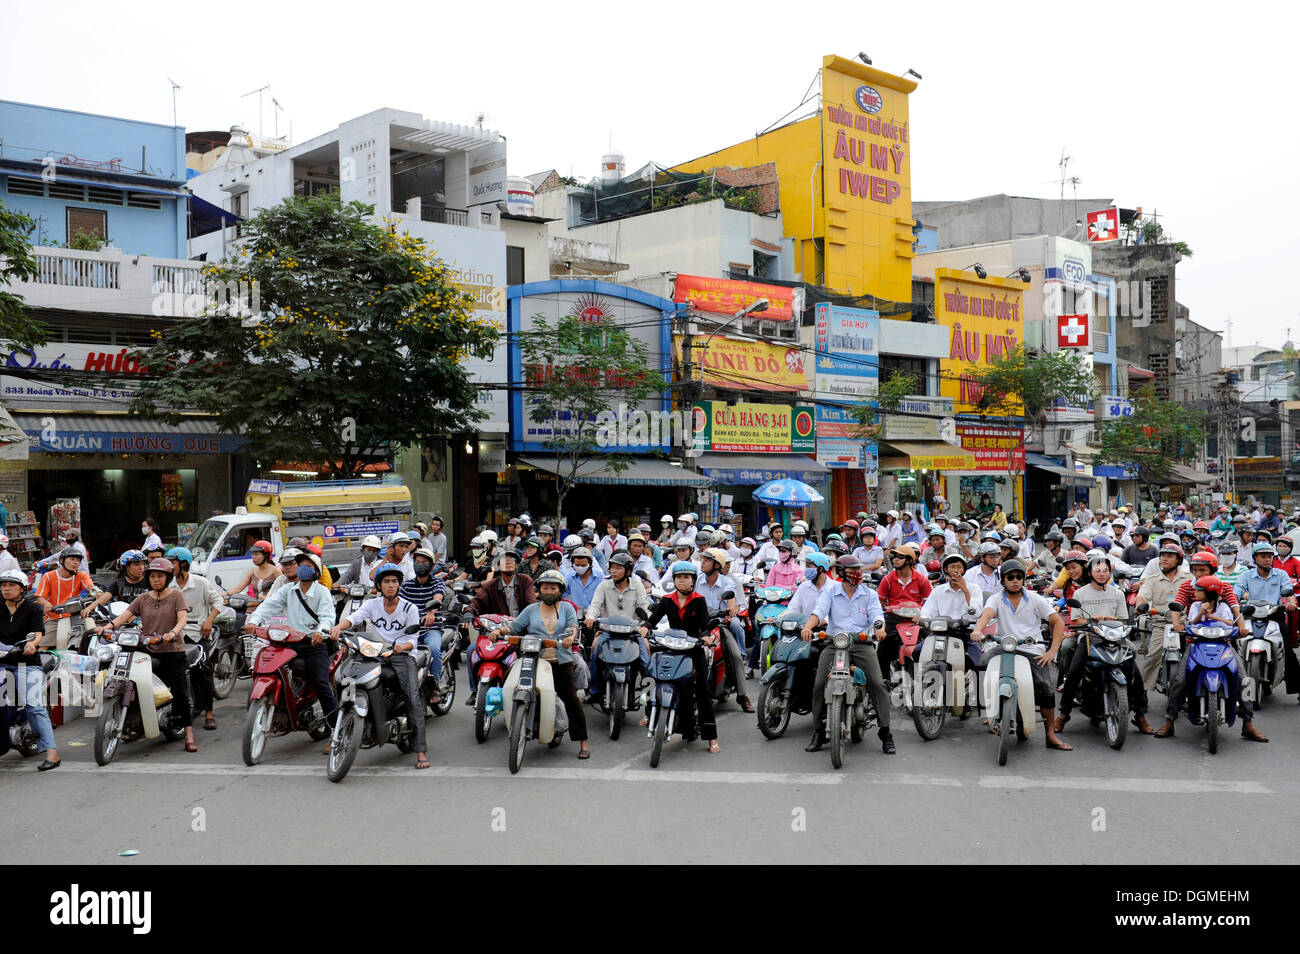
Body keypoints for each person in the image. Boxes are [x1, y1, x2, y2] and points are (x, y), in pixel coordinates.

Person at [331, 562, 429, 768]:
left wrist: (402, 648)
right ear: (379, 585)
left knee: (412, 698)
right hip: (375, 653)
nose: (391, 585)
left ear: (399, 584)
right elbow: (353, 618)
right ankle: (340, 727)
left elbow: (413, 639)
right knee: (345, 676)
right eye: (386, 582)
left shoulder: (409, 608)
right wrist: (339, 627)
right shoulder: (372, 604)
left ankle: (420, 751)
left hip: (402, 656)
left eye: (394, 581)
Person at [970, 558, 1073, 751]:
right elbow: (987, 615)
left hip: (1031, 649)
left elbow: (1057, 622)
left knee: (1045, 687)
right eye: (1010, 577)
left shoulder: (1035, 598)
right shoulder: (996, 598)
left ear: (1024, 579)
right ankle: (992, 711)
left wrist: (1052, 650)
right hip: (1004, 646)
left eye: (1019, 576)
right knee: (982, 665)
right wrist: (978, 630)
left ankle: (1050, 735)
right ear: (1003, 581)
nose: (1015, 580)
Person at [486, 569, 590, 759]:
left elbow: (573, 626)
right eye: (545, 587)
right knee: (510, 679)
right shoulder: (531, 609)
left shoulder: (567, 608)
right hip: (534, 659)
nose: (549, 591)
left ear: (560, 590)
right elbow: (515, 626)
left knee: (571, 700)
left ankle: (583, 741)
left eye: (553, 588)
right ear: (539, 590)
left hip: (560, 660)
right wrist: (500, 631)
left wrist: (570, 637)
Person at [1154, 575, 1268, 742]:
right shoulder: (1194, 605)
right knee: (1179, 680)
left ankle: (1248, 723)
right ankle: (1169, 720)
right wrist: (1201, 612)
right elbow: (1191, 623)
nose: (1195, 592)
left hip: (1224, 645)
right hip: (1197, 645)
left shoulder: (1223, 607)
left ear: (1209, 592)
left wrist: (1219, 619)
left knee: (1244, 680)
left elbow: (1230, 623)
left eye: (1199, 590)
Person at [800, 554, 894, 754]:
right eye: (853, 569)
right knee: (818, 685)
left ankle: (885, 732)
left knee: (877, 683)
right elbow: (819, 612)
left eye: (859, 569)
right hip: (835, 642)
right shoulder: (831, 591)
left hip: (862, 642)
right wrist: (808, 628)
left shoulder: (868, 593)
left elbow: (877, 616)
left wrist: (879, 628)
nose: (858, 573)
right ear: (842, 572)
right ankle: (818, 731)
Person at [102, 558, 196, 751]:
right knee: (128, 674)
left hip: (171, 650)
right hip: (148, 648)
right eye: (152, 576)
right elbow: (124, 616)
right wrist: (107, 627)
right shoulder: (143, 598)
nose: (155, 580)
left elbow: (182, 619)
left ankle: (189, 733)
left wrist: (173, 633)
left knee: (179, 692)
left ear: (167, 577)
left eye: (160, 576)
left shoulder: (176, 596)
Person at [1055, 555, 1152, 735]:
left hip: (1115, 637)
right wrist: (1092, 619)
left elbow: (1123, 619)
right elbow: (1076, 620)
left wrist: (1114, 620)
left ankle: (1140, 715)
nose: (1101, 574)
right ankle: (1063, 714)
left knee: (1135, 671)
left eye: (1105, 571)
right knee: (1075, 670)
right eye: (1097, 570)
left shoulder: (1117, 593)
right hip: (1090, 636)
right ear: (1090, 572)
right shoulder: (1080, 593)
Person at [246, 551, 338, 734]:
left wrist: (320, 632)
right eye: (301, 564)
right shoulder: (288, 590)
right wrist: (253, 621)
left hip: (313, 644)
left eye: (308, 566)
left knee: (322, 685)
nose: (303, 568)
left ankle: (335, 730)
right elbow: (268, 606)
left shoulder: (322, 592)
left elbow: (328, 617)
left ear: (317, 571)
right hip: (291, 642)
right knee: (273, 670)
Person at [640, 561, 723, 752]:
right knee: (649, 673)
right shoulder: (667, 599)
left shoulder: (699, 600)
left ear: (693, 580)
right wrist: (645, 626)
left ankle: (711, 738)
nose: (682, 581)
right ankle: (647, 711)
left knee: (702, 690)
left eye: (686, 577)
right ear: (674, 580)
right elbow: (653, 619)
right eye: (679, 577)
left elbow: (704, 625)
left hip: (693, 648)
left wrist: (706, 637)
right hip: (671, 646)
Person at [0, 569, 60, 770]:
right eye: (3, 585)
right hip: (2, 662)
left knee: (33, 705)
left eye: (11, 585)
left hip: (27, 663)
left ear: (22, 589)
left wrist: (32, 644)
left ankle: (52, 753)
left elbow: (38, 632)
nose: (6, 589)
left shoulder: (33, 609)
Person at [1232, 542, 1300, 699]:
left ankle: (1297, 687)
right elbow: (1237, 591)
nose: (1267, 559)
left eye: (1270, 556)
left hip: (1275, 615)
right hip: (1250, 615)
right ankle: (1234, 685)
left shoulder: (1280, 574)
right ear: (1255, 558)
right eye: (1263, 556)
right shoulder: (1246, 575)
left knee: (1287, 650)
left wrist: (1291, 603)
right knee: (1235, 647)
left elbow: (1287, 592)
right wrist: (1233, 602)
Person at [584, 551, 651, 705]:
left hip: (633, 632)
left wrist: (647, 623)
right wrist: (590, 617)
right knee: (594, 652)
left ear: (628, 571)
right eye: (612, 567)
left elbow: (644, 607)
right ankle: (594, 690)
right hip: (608, 631)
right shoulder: (604, 585)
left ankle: (648, 695)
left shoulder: (637, 585)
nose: (613, 571)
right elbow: (595, 605)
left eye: (618, 568)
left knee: (646, 656)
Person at [167, 546, 222, 731]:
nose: (168, 566)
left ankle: (209, 713)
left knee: (203, 671)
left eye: (172, 562)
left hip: (198, 633)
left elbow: (218, 601)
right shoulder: (167, 584)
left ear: (183, 564)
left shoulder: (200, 583)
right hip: (174, 634)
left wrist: (209, 620)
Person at [693, 548, 754, 712]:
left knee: (735, 656)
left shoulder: (727, 582)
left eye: (707, 560)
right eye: (702, 560)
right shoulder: (698, 581)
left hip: (719, 626)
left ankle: (743, 696)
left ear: (717, 565)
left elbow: (732, 602)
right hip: (699, 625)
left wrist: (730, 611)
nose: (703, 563)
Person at [1135, 541, 1192, 690]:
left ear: (1178, 560)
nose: (1164, 559)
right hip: (1161, 624)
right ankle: (1142, 693)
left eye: (1169, 556)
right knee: (1152, 657)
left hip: (1186, 624)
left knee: (1194, 656)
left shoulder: (1189, 578)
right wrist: (1139, 606)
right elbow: (1142, 596)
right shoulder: (1152, 580)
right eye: (1162, 556)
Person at [398, 545, 447, 705]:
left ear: (431, 566)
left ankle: (434, 687)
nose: (419, 564)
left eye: (423, 562)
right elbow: (399, 605)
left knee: (433, 650)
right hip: (411, 631)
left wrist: (431, 612)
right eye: (417, 561)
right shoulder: (406, 586)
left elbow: (438, 596)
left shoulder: (437, 582)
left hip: (431, 628)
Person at [921, 553, 985, 667]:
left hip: (967, 633)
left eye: (959, 567)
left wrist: (965, 590)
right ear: (946, 569)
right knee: (917, 652)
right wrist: (924, 620)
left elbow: (977, 612)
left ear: (964, 570)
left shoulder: (974, 589)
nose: (956, 570)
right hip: (941, 633)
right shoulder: (938, 591)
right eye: (952, 567)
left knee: (977, 662)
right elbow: (927, 612)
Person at [33, 548, 96, 648]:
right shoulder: (48, 576)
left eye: (78, 560)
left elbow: (91, 587)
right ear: (62, 561)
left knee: (91, 640)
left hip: (76, 616)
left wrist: (97, 592)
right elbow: (40, 597)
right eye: (72, 559)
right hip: (54, 617)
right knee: (44, 647)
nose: (75, 562)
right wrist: (46, 604)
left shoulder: (81, 575)